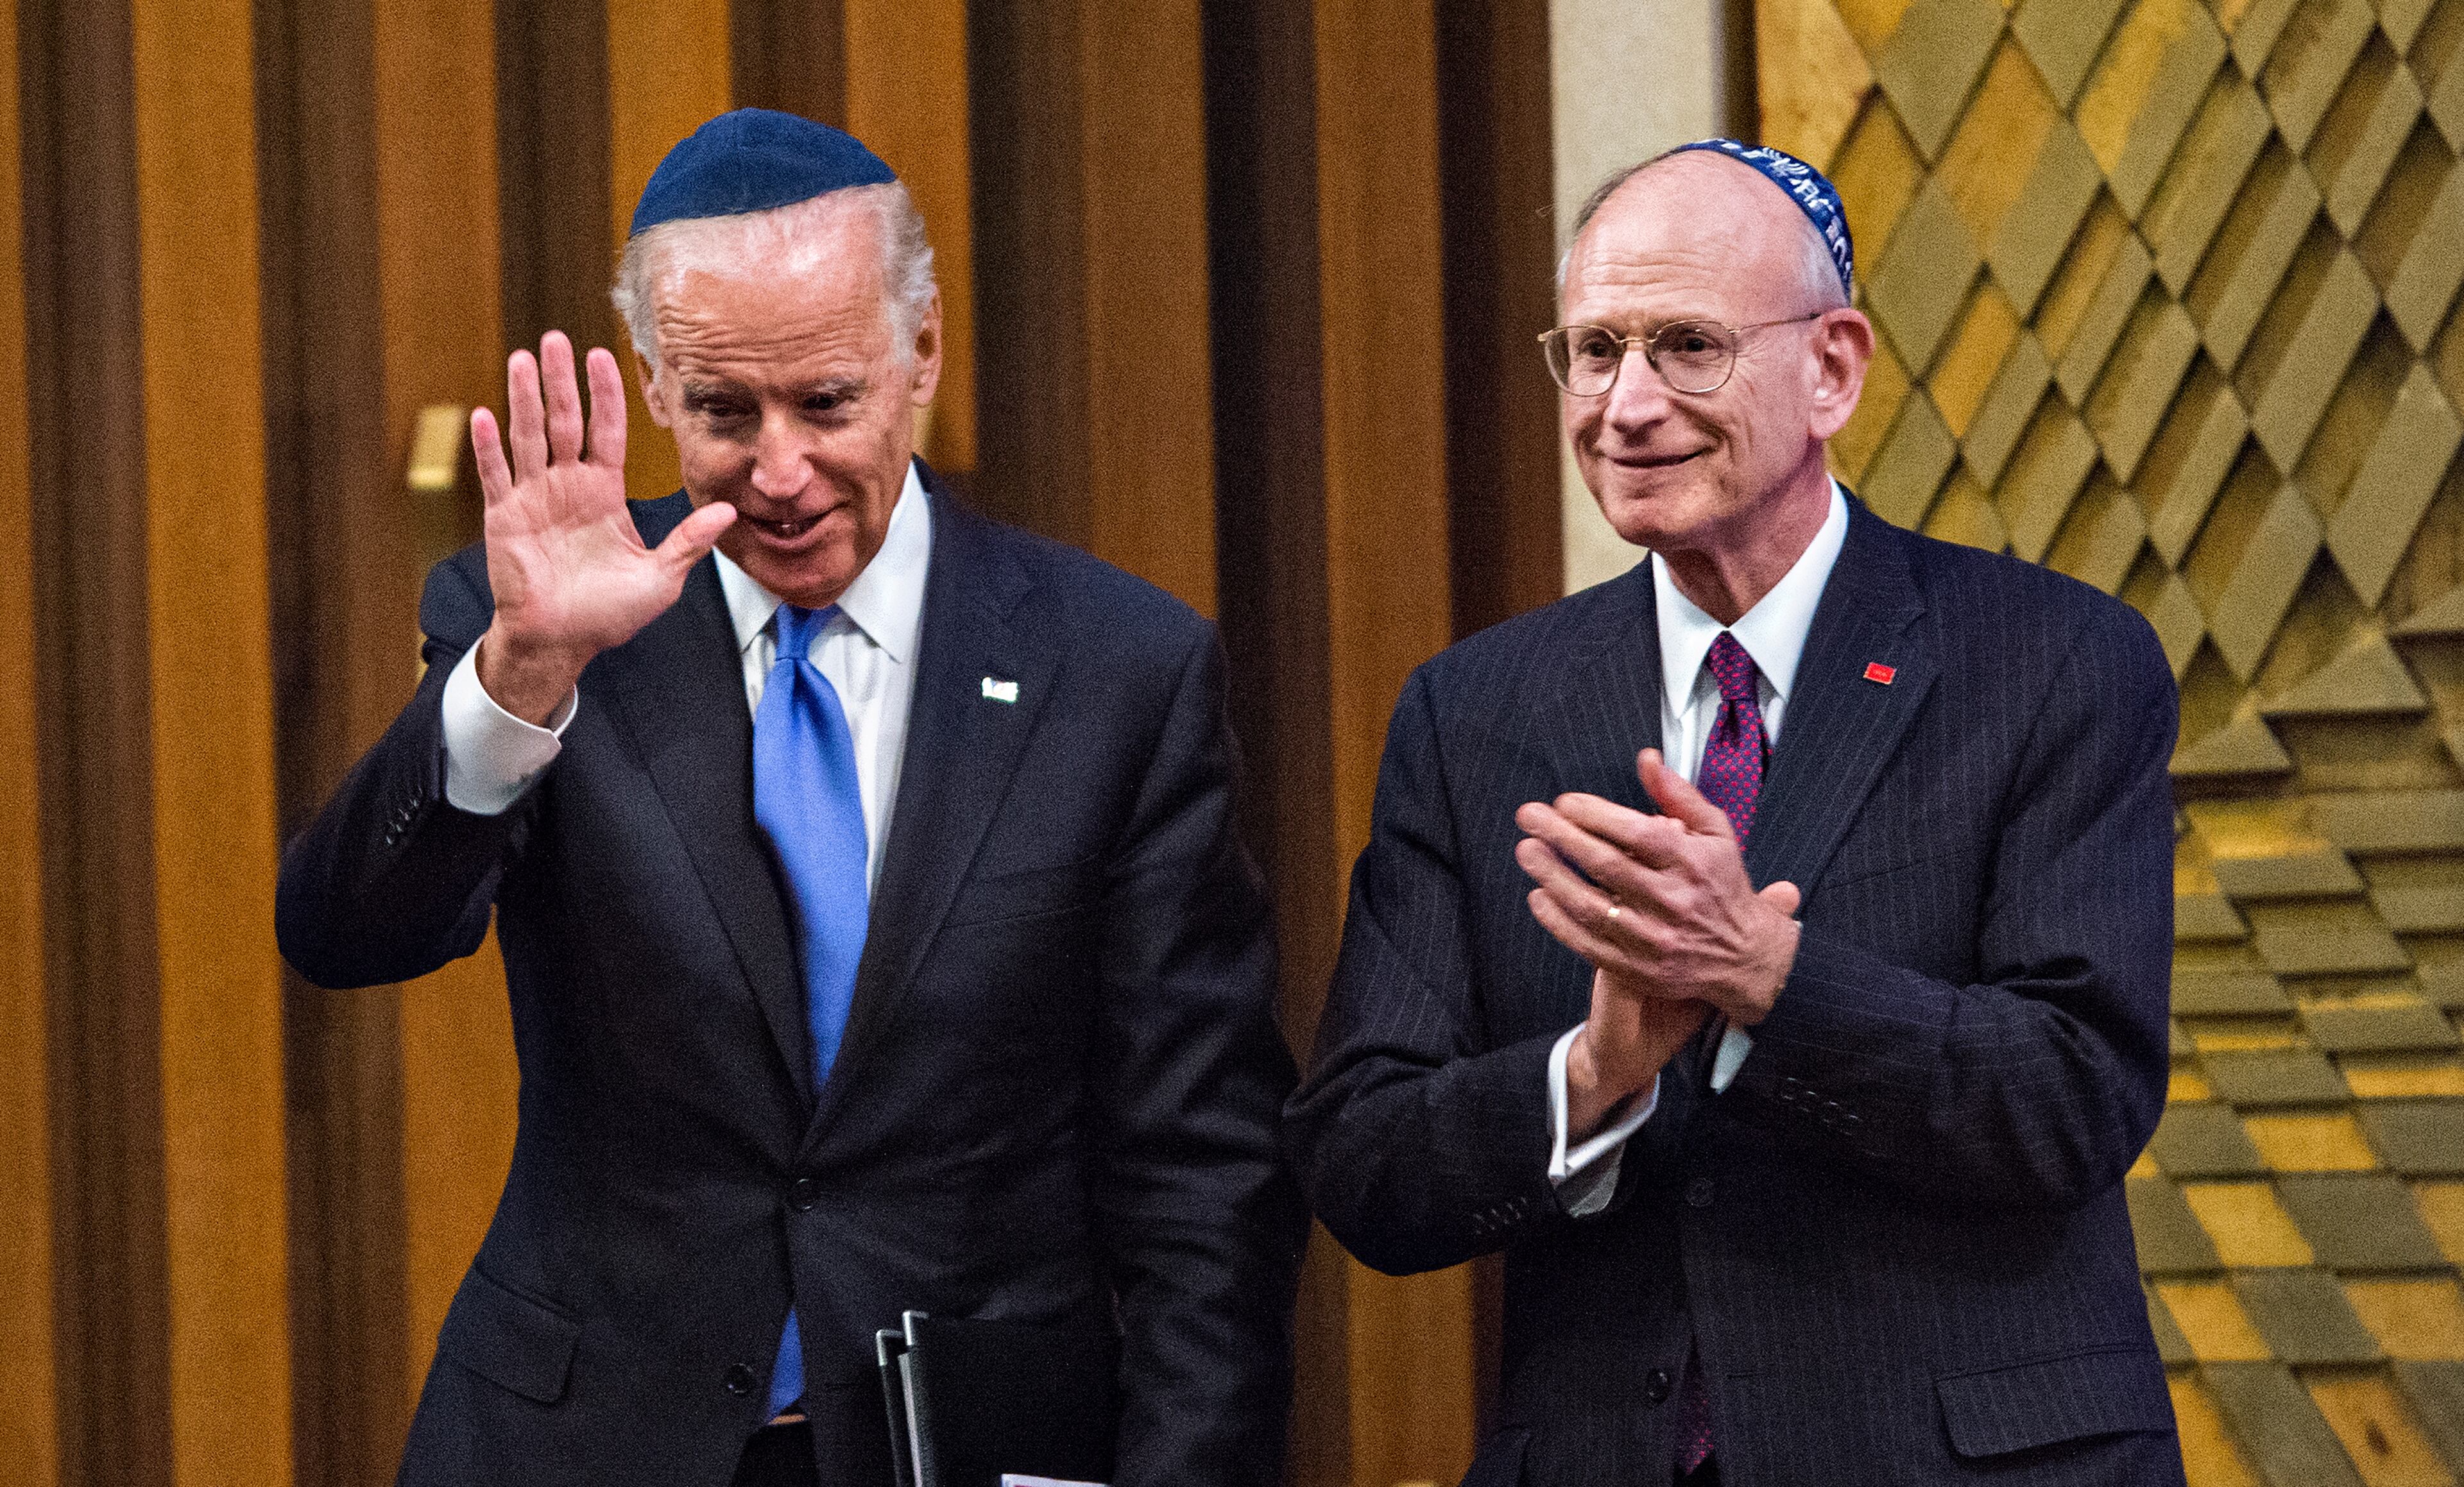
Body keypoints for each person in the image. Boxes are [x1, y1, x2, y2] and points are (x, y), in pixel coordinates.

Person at [277, 109, 1303, 1487]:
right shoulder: (543, 625)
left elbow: (1202, 1179)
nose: (778, 472)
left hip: (958, 1440)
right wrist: (522, 672)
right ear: (652, 383)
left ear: (922, 349)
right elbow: (346, 933)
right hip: (594, 1438)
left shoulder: (1118, 670)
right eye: (722, 411)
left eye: (826, 402)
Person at [1285, 140, 2186, 1486]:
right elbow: (1362, 1158)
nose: (1626, 404)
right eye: (1594, 351)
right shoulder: (1473, 713)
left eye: (1686, 346)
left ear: (1833, 367)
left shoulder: (2053, 661)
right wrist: (1592, 1082)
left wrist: (1765, 975)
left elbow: (2073, 1093)